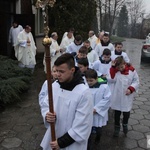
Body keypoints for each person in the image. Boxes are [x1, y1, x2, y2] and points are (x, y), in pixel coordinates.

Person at [39, 53, 93, 150]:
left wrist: (61, 142)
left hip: (72, 144)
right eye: (56, 71)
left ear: (72, 70)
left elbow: (83, 124)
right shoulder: (55, 85)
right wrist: (47, 115)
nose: (57, 74)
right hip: (53, 137)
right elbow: (45, 104)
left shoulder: (83, 92)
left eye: (61, 71)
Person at [107, 56, 139, 137]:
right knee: (117, 113)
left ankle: (125, 124)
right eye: (118, 67)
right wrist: (113, 68)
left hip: (127, 96)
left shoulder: (132, 70)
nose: (120, 69)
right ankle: (117, 127)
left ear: (124, 63)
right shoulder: (115, 71)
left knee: (126, 112)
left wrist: (131, 88)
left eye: (121, 67)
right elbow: (111, 79)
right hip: (117, 95)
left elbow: (136, 81)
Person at [85, 69, 111, 148]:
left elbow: (107, 99)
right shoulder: (85, 87)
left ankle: (98, 138)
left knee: (98, 129)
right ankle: (88, 145)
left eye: (91, 80)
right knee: (88, 129)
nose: (89, 83)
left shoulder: (104, 87)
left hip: (98, 112)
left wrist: (97, 109)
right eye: (87, 80)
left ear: (96, 78)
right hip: (88, 112)